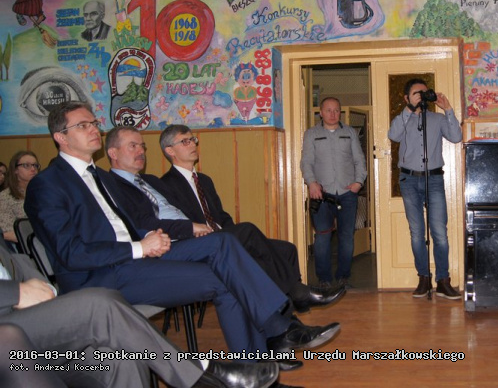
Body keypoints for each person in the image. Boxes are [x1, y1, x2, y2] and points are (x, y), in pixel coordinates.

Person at [23, 101, 340, 357]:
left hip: (137, 258)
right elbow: (70, 253)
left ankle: (262, 366)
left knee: (224, 249)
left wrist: (148, 239)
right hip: (99, 277)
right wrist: (140, 246)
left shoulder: (102, 177)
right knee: (228, 274)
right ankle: (281, 331)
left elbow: (128, 224)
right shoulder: (47, 185)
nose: (94, 129)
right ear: (60, 137)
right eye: (83, 126)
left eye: (94, 123)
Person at [106, 125, 344, 313]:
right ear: (170, 151)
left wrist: (232, 233)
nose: (193, 144)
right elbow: (169, 221)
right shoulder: (165, 184)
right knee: (248, 233)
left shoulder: (203, 180)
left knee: (286, 249)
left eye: (193, 140)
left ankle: (289, 307)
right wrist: (222, 234)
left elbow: (221, 216)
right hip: (198, 242)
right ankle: (296, 295)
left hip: (220, 234)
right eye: (185, 141)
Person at [0, 242, 280, 388]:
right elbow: (70, 251)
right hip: (10, 325)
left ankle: (273, 337)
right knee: (100, 304)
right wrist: (16, 293)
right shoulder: (50, 184)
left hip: (32, 317)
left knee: (123, 356)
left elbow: (18, 264)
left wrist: (40, 286)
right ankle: (200, 375)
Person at [388, 78, 462, 300]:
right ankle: (423, 278)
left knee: (439, 231)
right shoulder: (403, 119)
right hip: (409, 180)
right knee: (417, 232)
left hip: (434, 179)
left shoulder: (437, 119)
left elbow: (456, 137)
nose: (421, 96)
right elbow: (393, 135)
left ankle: (443, 281)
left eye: (424, 92)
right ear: (406, 98)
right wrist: (409, 110)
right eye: (416, 93)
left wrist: (447, 108)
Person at [300, 97, 367, 289]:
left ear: (340, 112)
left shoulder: (350, 133)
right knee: (322, 237)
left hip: (347, 193)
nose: (333, 114)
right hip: (321, 194)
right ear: (321, 113)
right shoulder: (311, 134)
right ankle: (324, 279)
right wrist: (312, 183)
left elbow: (359, 159)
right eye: (328, 110)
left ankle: (343, 277)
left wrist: (359, 182)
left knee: (346, 237)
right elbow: (306, 162)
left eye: (336, 110)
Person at [0, 151, 39, 244]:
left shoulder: (44, 193)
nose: (33, 169)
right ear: (15, 170)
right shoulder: (5, 197)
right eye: (26, 165)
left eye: (35, 165)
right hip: (24, 244)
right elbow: (8, 233)